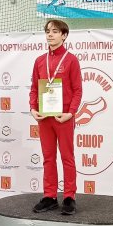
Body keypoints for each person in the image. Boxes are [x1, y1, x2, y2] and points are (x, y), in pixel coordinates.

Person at [29, 19, 82, 215]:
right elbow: (34, 88)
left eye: (55, 31)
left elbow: (77, 90)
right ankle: (50, 196)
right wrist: (33, 108)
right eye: (48, 31)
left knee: (67, 157)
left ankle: (69, 197)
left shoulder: (71, 60)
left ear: (64, 35)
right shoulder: (39, 61)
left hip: (64, 117)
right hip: (44, 117)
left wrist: (70, 113)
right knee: (48, 158)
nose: (50, 34)